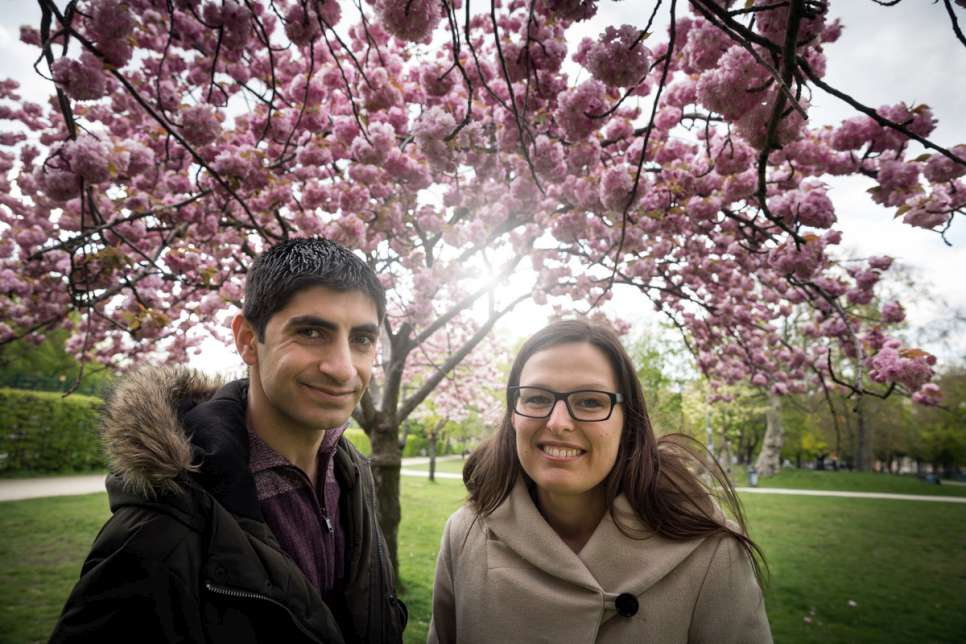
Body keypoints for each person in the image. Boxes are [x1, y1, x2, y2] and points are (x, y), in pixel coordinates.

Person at [51, 238, 407, 643]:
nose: (343, 369)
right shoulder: (159, 526)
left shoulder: (351, 474)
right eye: (311, 332)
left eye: (361, 339)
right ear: (246, 340)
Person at [428, 320, 771, 643]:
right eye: (536, 398)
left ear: (628, 421)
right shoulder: (465, 534)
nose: (558, 422)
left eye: (590, 401)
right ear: (513, 414)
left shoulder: (710, 553)